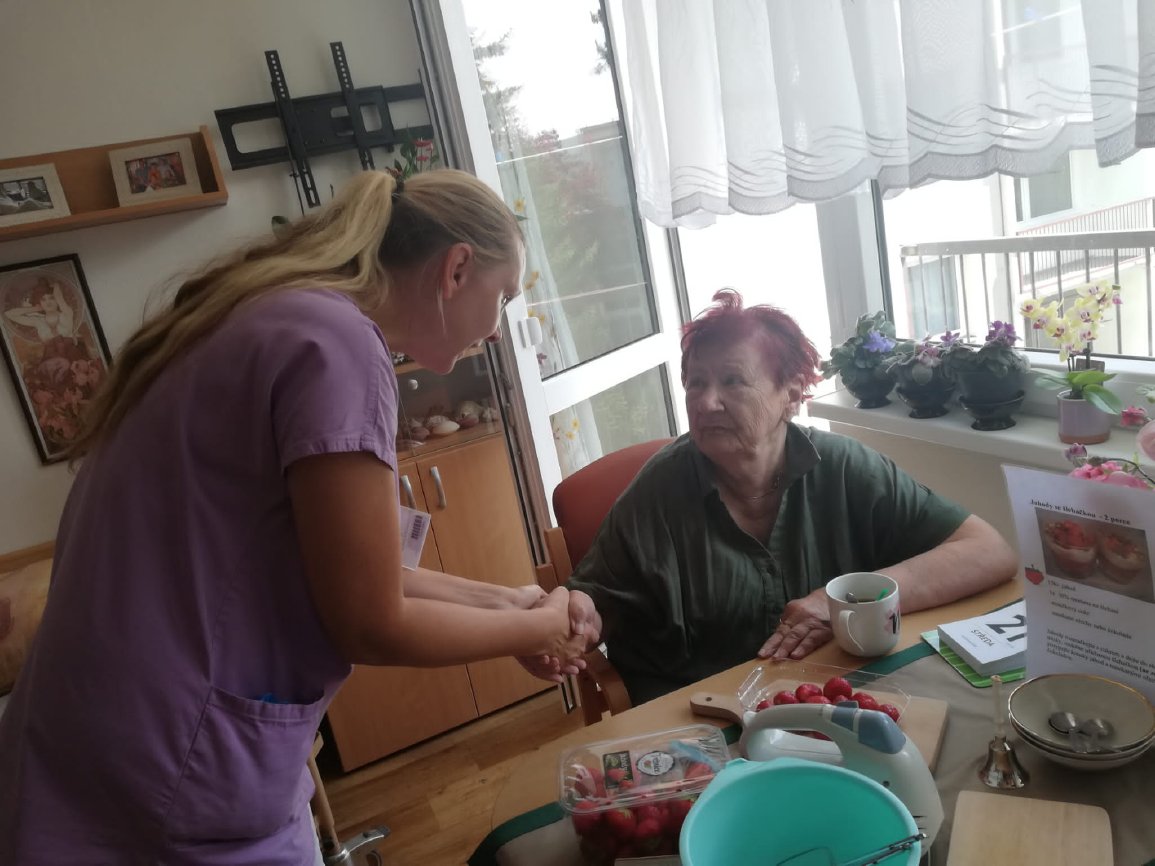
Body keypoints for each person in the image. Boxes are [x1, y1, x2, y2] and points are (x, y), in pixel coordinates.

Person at [0, 169, 595, 866]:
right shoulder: (336, 345)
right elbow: (369, 620)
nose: (496, 331)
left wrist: (513, 604)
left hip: (93, 740)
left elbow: (355, 573)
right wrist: (540, 627)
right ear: (457, 269)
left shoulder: (270, 313)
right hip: (167, 765)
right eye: (504, 297)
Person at [566, 289, 1018, 705]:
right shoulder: (659, 490)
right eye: (695, 383)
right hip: (699, 715)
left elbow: (988, 551)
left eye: (732, 381)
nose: (705, 402)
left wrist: (838, 602)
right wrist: (572, 620)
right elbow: (591, 604)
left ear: (793, 394)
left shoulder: (843, 468)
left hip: (826, 697)